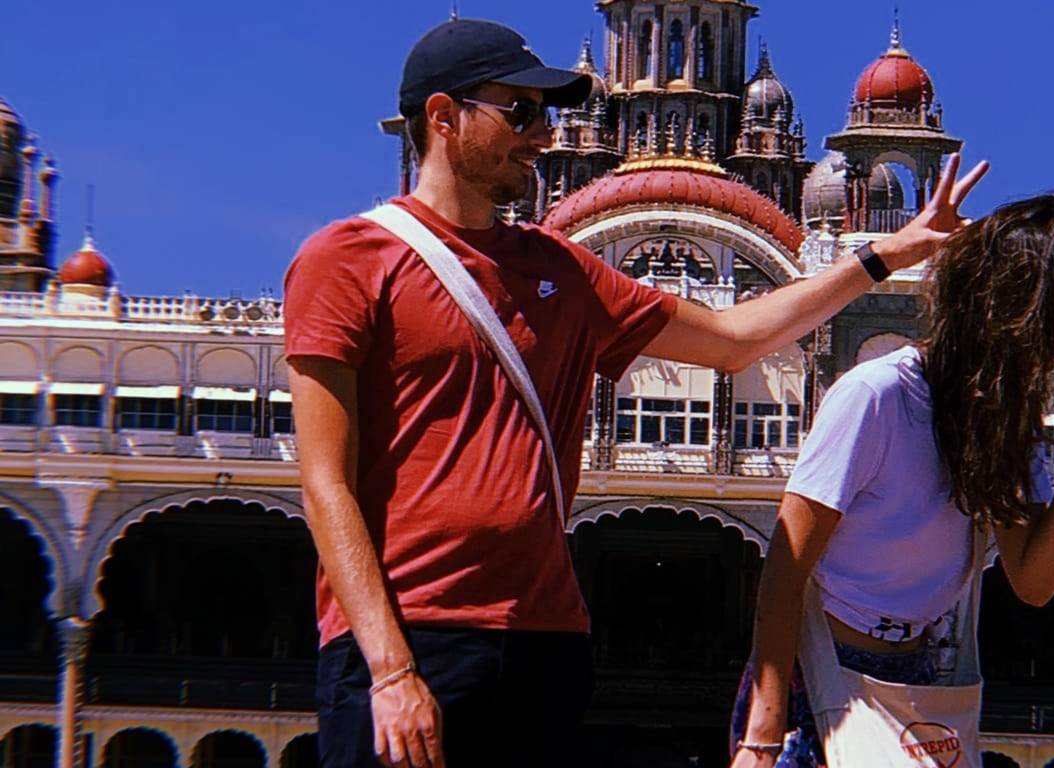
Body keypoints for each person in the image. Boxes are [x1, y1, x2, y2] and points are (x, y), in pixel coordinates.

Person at [283, 17, 988, 768]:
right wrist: (389, 668)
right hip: (410, 631)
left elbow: (733, 340)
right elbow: (326, 484)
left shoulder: (558, 266)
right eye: (521, 111)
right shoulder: (348, 259)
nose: (544, 133)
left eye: (548, 114)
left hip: (544, 636)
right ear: (443, 116)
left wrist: (884, 255)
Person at [729, 193, 1054, 767]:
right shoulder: (878, 396)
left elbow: (1033, 582)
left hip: (914, 681)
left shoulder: (1006, 427)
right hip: (816, 679)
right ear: (1019, 304)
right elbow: (784, 571)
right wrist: (763, 735)